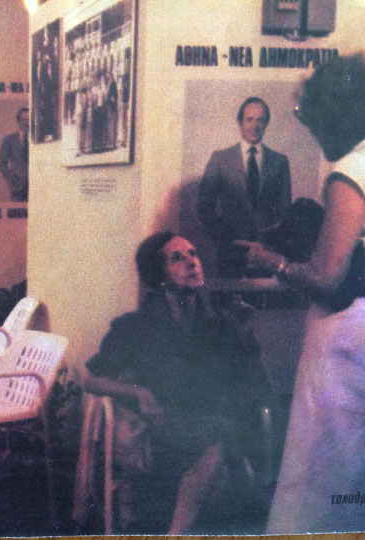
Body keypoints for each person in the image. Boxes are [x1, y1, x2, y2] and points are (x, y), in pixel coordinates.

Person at [235, 52, 365, 534]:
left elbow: (327, 277)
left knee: (323, 472)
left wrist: (273, 262)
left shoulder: (352, 170)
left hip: (346, 333)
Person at [84, 231, 271, 534]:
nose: (192, 263)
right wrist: (138, 392)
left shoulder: (219, 321)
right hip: (161, 427)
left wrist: (244, 334)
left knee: (225, 429)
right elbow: (92, 380)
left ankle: (180, 530)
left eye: (193, 254)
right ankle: (241, 499)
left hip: (210, 423)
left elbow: (251, 379)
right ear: (158, 275)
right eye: (177, 258)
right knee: (225, 433)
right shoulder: (136, 326)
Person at [198, 97, 291, 277]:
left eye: (260, 120)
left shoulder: (279, 162)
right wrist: (228, 241)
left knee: (264, 294)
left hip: (267, 253)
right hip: (230, 251)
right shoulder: (220, 159)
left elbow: (284, 209)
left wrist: (268, 243)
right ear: (240, 123)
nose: (254, 125)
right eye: (249, 119)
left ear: (266, 123)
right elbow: (205, 207)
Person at [0, 107, 29, 202]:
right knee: (17, 210)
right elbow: (2, 164)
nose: (26, 123)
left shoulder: (38, 140)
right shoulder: (8, 140)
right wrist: (12, 180)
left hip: (36, 186)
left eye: (28, 120)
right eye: (23, 120)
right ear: (18, 121)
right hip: (17, 188)